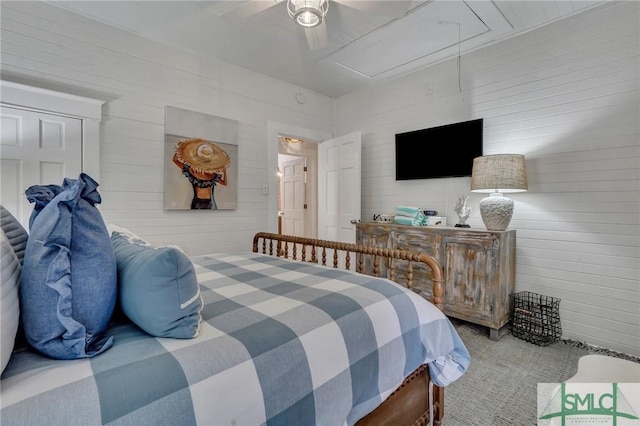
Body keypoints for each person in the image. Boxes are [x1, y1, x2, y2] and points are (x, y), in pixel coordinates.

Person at [172, 138, 230, 209]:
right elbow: (175, 160)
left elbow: (224, 183)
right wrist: (181, 149)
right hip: (201, 202)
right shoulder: (193, 170)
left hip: (209, 203)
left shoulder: (207, 173)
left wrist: (224, 170)